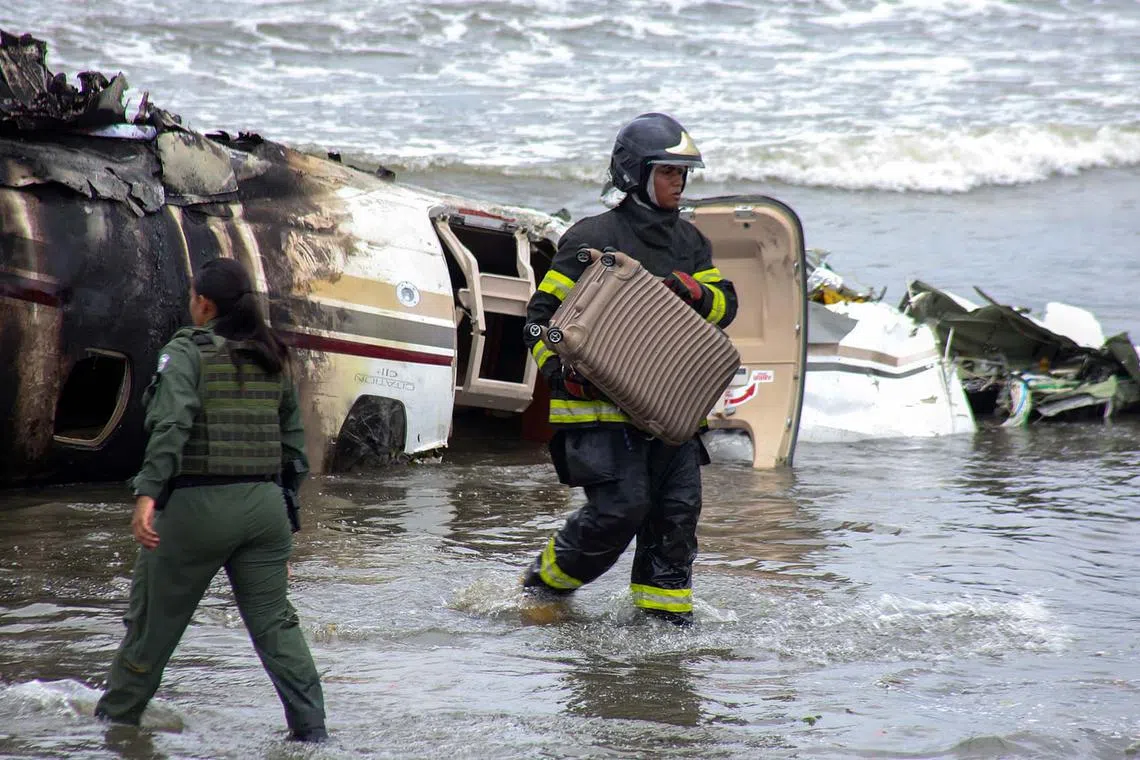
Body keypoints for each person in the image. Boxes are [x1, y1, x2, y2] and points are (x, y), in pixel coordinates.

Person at [95, 257, 327, 741]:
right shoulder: (272, 354)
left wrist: (147, 494)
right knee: (277, 628)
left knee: (151, 626)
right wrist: (288, 524)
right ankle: (312, 733)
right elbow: (293, 448)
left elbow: (171, 425)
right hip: (266, 511)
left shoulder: (187, 352)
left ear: (203, 304)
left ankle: (114, 726)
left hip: (199, 507)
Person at [520, 112, 738, 626]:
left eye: (683, 173)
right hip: (601, 415)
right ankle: (541, 589)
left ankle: (663, 631)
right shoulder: (592, 236)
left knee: (676, 518)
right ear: (634, 173)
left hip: (670, 413)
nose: (678, 182)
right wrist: (560, 372)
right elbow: (538, 321)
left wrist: (692, 290)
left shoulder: (690, 243)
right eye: (667, 171)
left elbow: (724, 308)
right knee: (620, 511)